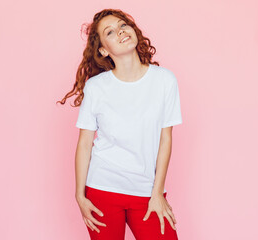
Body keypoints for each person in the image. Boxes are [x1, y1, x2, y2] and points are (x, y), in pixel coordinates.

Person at [57, 8, 182, 240]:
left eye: (123, 25)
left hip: (146, 192)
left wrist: (157, 193)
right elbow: (85, 144)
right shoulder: (96, 87)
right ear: (103, 50)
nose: (121, 31)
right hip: (102, 190)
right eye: (111, 32)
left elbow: (166, 139)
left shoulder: (164, 80)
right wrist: (79, 195)